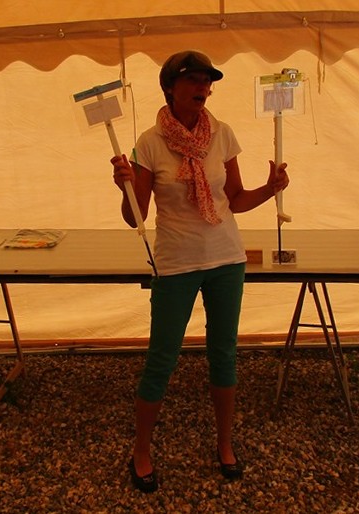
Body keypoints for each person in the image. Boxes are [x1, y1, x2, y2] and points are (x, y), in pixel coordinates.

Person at [112, 50, 290, 493]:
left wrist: (271, 189)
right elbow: (136, 217)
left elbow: (236, 200)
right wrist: (125, 187)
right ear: (170, 88)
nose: (203, 88)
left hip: (227, 259)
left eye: (207, 81)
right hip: (176, 264)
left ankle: (225, 444)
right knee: (162, 359)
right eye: (193, 80)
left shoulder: (222, 134)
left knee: (224, 354)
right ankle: (141, 450)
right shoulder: (150, 143)